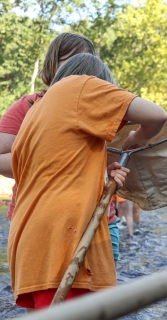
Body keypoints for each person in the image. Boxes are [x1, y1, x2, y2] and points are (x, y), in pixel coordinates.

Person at [8, 53, 167, 310]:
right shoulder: (82, 85)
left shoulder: (37, 110)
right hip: (62, 241)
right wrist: (139, 136)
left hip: (30, 242)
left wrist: (103, 174)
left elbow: (53, 172)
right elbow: (156, 116)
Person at [0, 32, 123, 270]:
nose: (79, 70)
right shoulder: (28, 106)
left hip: (97, 218)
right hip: (38, 219)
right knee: (40, 298)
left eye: (85, 61)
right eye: (69, 61)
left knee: (99, 301)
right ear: (53, 66)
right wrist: (47, 159)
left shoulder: (106, 105)